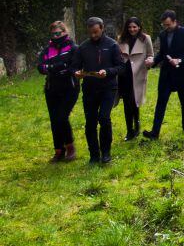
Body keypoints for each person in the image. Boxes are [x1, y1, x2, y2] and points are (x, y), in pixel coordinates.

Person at [71, 17, 125, 164]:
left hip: (108, 88)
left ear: (102, 28)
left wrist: (107, 72)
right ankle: (94, 154)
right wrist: (77, 73)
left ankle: (106, 152)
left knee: (104, 118)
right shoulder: (83, 47)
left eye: (96, 32)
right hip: (89, 89)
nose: (93, 35)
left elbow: (121, 67)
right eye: (90, 33)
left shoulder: (112, 45)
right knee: (90, 122)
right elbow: (75, 66)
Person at [143, 10, 184, 139]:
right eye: (164, 25)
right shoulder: (162, 35)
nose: (166, 28)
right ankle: (154, 133)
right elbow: (162, 53)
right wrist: (153, 61)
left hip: (181, 73)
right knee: (161, 102)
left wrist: (180, 60)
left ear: (175, 21)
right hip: (166, 74)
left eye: (168, 25)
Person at [37, 21, 80, 162]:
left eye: (58, 33)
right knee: (54, 121)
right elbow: (41, 67)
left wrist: (52, 67)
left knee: (62, 117)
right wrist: (57, 66)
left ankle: (70, 147)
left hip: (70, 88)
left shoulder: (73, 47)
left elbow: (72, 66)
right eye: (53, 34)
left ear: (64, 32)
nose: (56, 36)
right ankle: (58, 151)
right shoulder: (47, 49)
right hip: (52, 88)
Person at [117, 17, 154, 141]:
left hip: (138, 75)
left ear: (139, 27)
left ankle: (136, 125)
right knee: (127, 104)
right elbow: (117, 56)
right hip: (124, 75)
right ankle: (129, 131)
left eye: (134, 27)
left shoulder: (145, 39)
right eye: (129, 27)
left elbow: (150, 55)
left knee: (135, 102)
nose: (132, 29)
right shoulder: (121, 39)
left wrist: (149, 62)